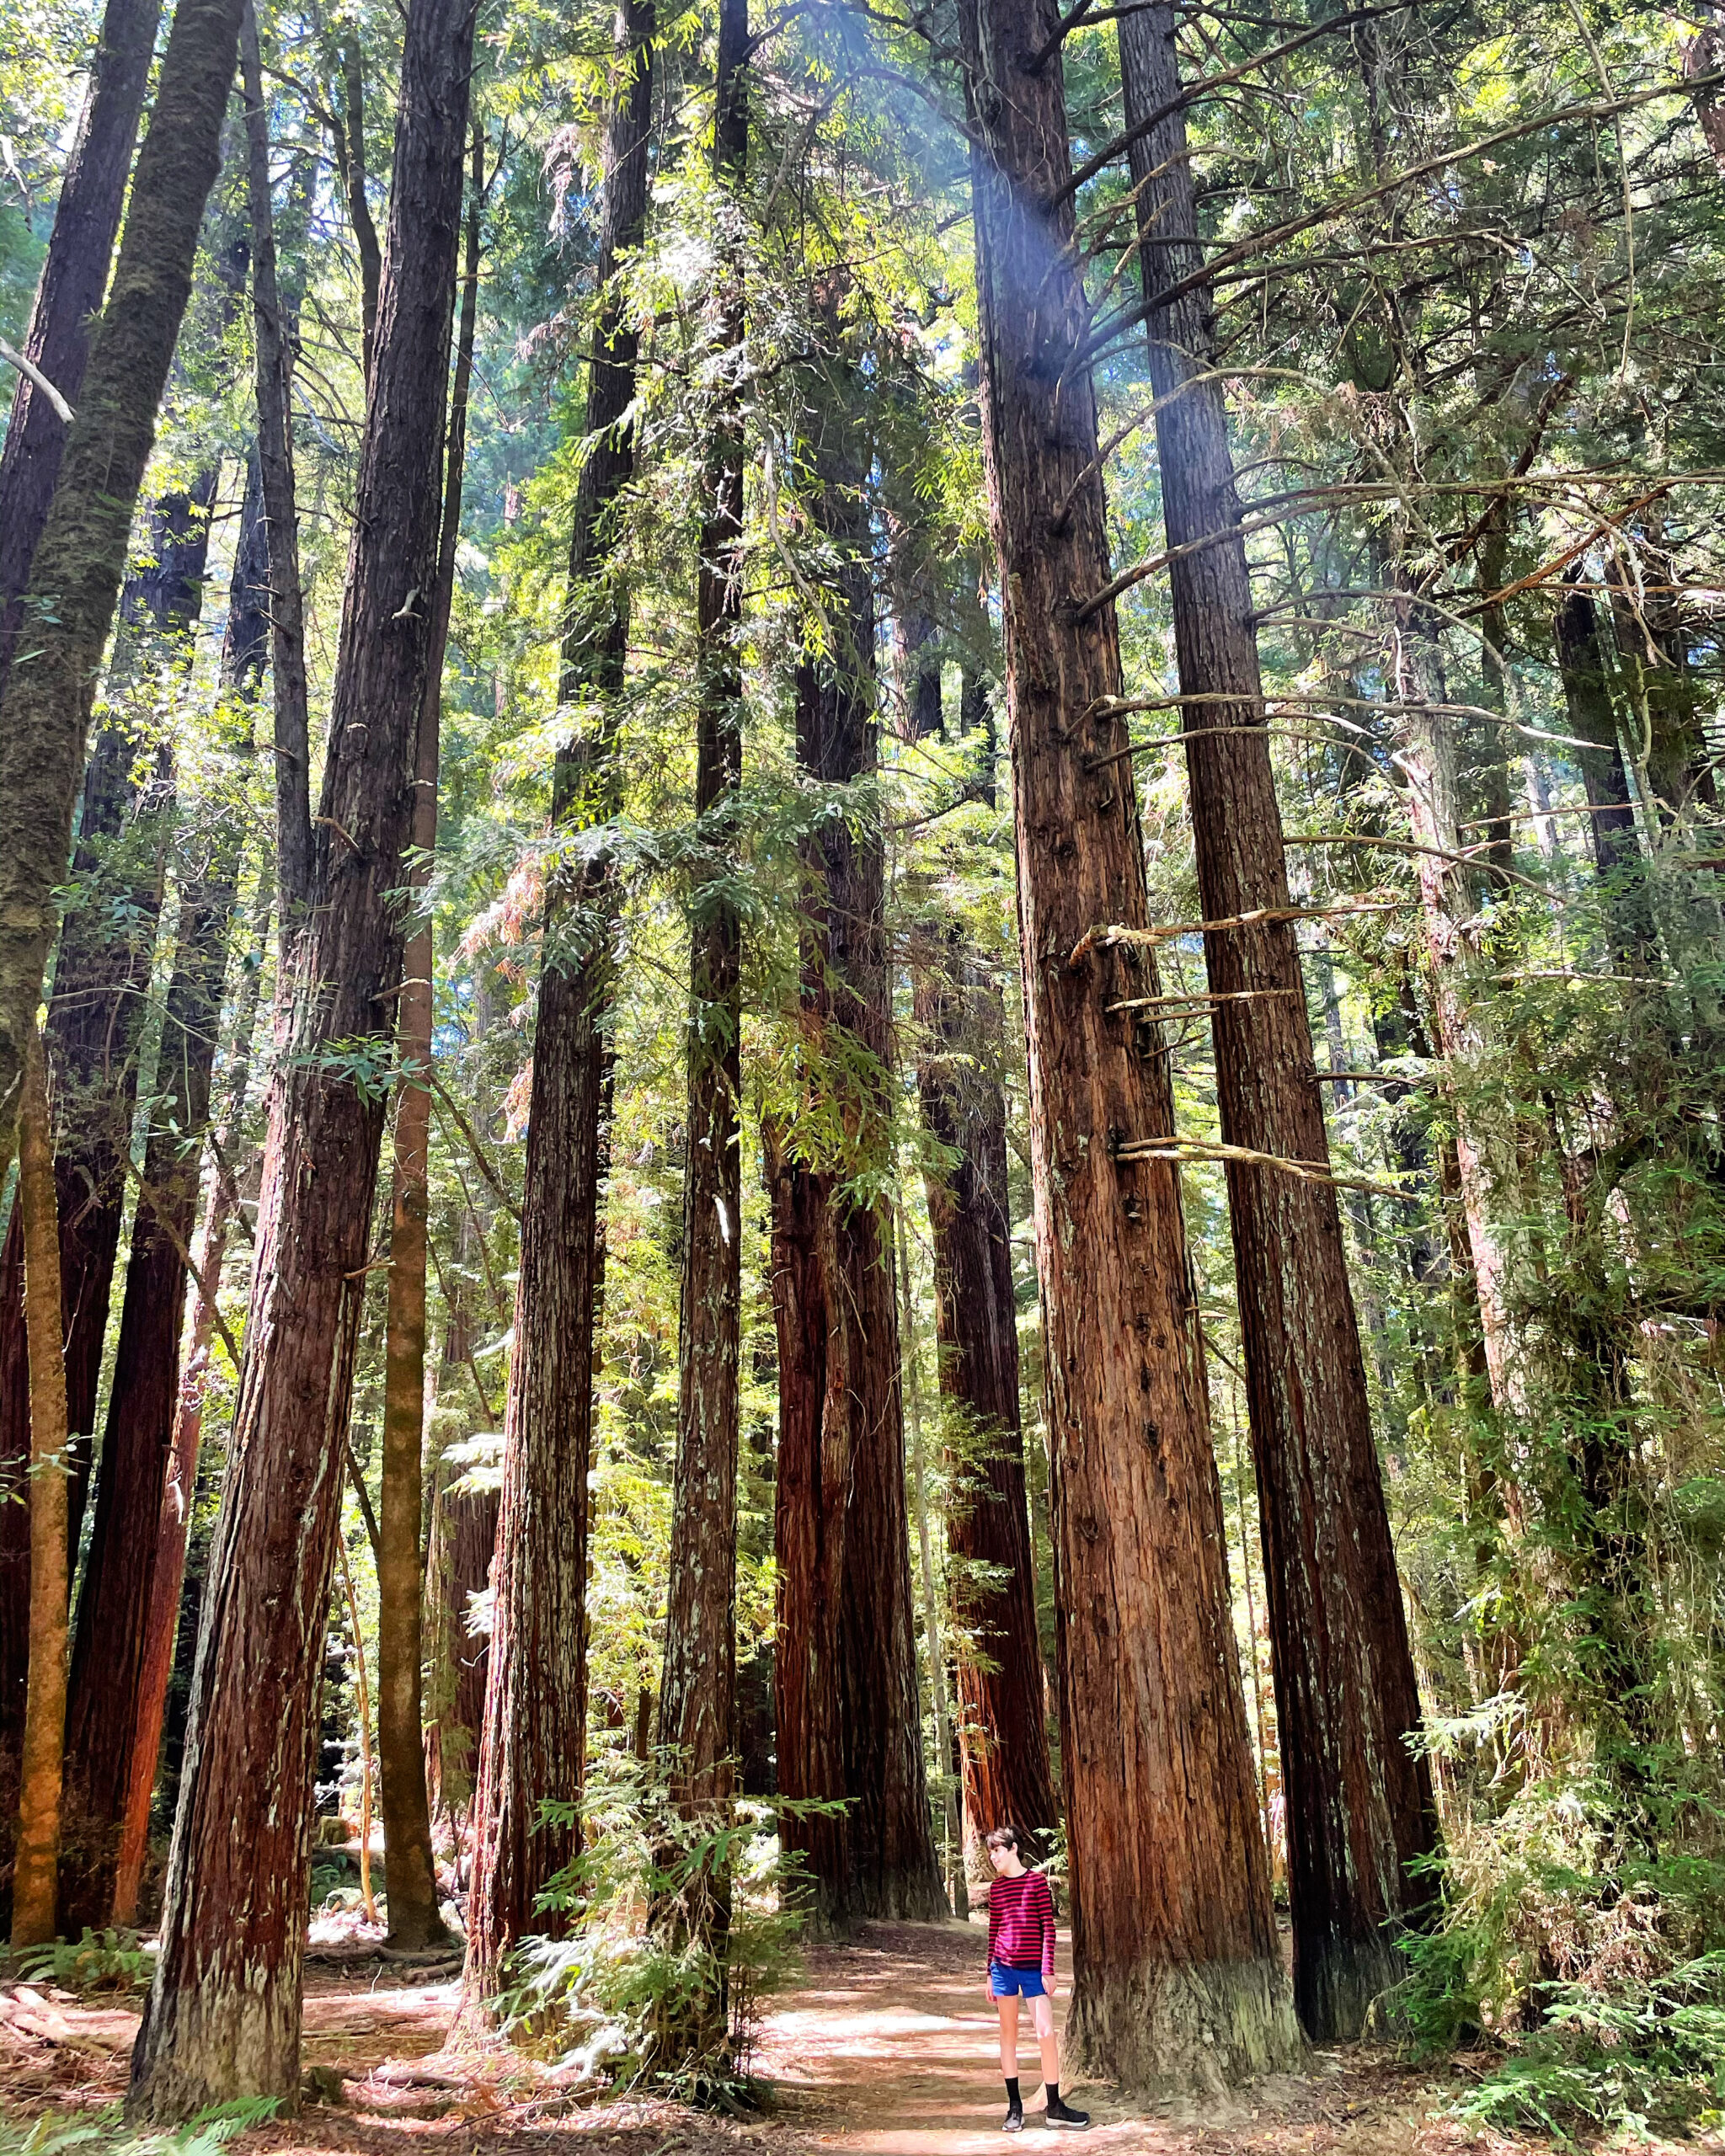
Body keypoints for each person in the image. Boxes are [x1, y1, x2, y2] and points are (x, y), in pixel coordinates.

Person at [984, 1824, 1090, 2132]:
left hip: (1033, 1971)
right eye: (991, 1853)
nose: (994, 1858)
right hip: (1002, 1968)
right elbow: (994, 1932)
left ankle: (1054, 2105)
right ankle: (1014, 2107)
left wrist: (1048, 1969)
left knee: (1045, 2033)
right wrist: (989, 1973)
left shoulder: (1037, 1883)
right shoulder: (996, 1889)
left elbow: (1048, 1928)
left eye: (998, 1851)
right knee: (1008, 2035)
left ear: (1013, 1848)